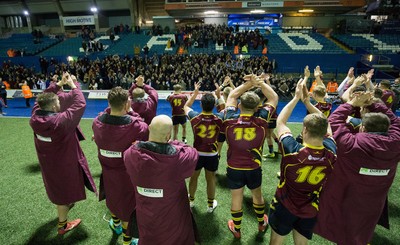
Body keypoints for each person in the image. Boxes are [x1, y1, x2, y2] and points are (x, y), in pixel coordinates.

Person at [314, 86, 400, 245]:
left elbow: (332, 122)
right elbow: (395, 121)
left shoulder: (351, 144)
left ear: (363, 127)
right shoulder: (396, 144)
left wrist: (352, 103)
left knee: (344, 230)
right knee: (363, 229)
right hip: (374, 201)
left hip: (347, 199)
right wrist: (375, 105)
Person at [268, 77, 336, 245]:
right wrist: (308, 104)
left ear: (304, 130)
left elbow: (281, 122)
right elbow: (327, 125)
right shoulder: (331, 152)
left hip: (285, 204)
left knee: (276, 241)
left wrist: (297, 98)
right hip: (310, 206)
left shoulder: (292, 149)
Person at [29, 72, 97, 235]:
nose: (60, 100)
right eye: (58, 100)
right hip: (64, 162)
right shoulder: (60, 122)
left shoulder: (34, 116)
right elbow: (79, 104)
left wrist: (59, 83)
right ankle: (63, 225)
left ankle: (64, 208)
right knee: (63, 195)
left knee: (58, 189)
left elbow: (44, 97)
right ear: (53, 106)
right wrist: (73, 86)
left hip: (48, 162)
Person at [124, 115, 199, 245]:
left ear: (150, 128)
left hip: (146, 215)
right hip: (173, 218)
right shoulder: (179, 159)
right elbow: (192, 152)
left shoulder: (130, 154)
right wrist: (173, 142)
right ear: (168, 135)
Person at [224, 74, 278, 239]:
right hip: (254, 167)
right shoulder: (262, 120)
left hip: (234, 167)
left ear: (239, 106)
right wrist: (259, 82)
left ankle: (237, 229)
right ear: (257, 108)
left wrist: (249, 84)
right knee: (257, 195)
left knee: (236, 197)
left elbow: (232, 95)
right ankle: (261, 223)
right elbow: (274, 97)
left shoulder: (229, 119)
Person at [93, 87, 148, 245]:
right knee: (127, 207)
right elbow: (142, 128)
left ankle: (115, 224)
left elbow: (103, 116)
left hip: (107, 169)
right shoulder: (138, 126)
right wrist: (130, 111)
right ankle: (127, 240)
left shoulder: (97, 123)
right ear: (127, 104)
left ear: (109, 104)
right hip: (127, 173)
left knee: (112, 198)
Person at [184, 82, 223, 213]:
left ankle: (191, 202)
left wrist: (195, 93)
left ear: (201, 104)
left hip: (197, 153)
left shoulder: (195, 117)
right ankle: (210, 205)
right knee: (210, 179)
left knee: (193, 177)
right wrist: (218, 95)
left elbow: (186, 106)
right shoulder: (219, 117)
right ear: (214, 106)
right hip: (212, 154)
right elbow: (224, 108)